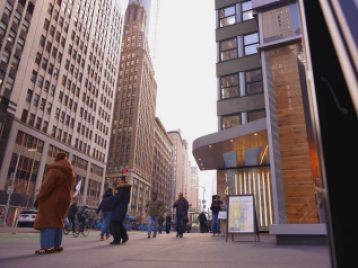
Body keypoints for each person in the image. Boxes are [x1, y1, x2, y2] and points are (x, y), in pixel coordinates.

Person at [33, 152, 75, 254]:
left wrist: (38, 198)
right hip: (65, 198)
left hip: (52, 198)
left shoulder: (55, 170)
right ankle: (57, 245)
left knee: (48, 220)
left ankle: (47, 246)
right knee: (58, 220)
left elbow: (46, 186)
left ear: (56, 159)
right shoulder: (70, 172)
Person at [109, 176, 131, 245]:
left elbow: (116, 199)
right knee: (118, 223)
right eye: (117, 180)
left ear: (123, 181)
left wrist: (111, 205)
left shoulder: (122, 189)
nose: (117, 181)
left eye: (119, 180)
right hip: (121, 209)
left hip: (119, 209)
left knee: (114, 223)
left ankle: (117, 240)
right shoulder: (124, 189)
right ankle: (124, 237)